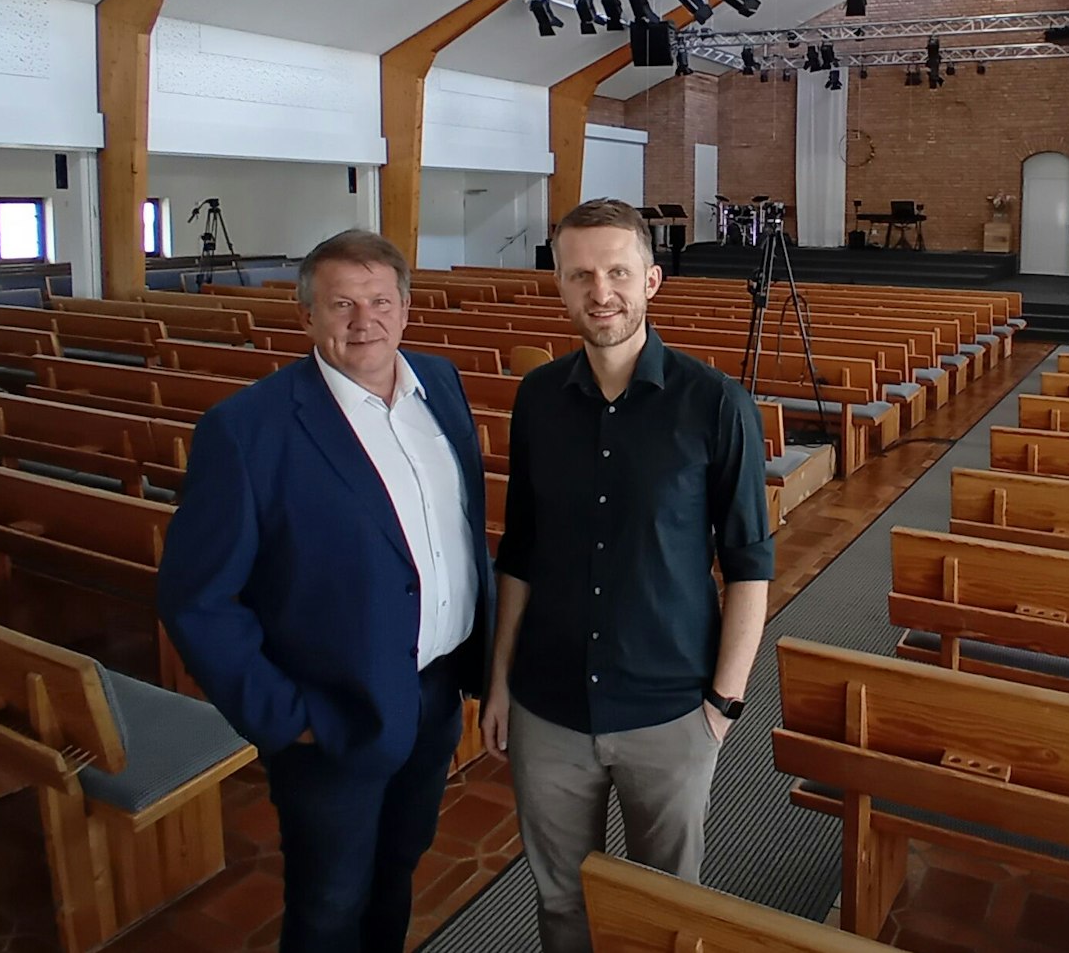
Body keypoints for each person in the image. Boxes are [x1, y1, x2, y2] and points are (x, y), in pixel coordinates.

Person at [157, 230, 494, 953]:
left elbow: (461, 526)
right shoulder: (249, 430)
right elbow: (197, 598)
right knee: (329, 900)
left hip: (436, 695)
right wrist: (286, 717)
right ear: (306, 313)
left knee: (399, 865)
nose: (362, 320)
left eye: (378, 301)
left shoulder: (441, 384)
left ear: (405, 308)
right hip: (331, 713)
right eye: (340, 303)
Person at [482, 199, 774, 953]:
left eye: (617, 271)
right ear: (559, 285)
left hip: (671, 710)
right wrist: (500, 680)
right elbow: (520, 549)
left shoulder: (716, 402)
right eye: (581, 274)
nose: (600, 290)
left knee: (665, 911)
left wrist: (722, 706)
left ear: (651, 279)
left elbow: (748, 563)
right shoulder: (539, 398)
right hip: (547, 708)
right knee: (559, 902)